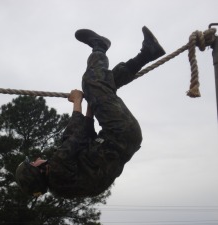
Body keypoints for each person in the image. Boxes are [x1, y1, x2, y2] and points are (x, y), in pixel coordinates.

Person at [16, 26, 165, 198]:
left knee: (103, 84)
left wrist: (90, 106)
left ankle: (148, 53)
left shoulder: (63, 187)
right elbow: (76, 135)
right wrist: (77, 101)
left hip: (125, 139)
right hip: (119, 132)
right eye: (34, 164)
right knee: (91, 82)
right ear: (40, 171)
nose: (36, 160)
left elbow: (83, 140)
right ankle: (100, 46)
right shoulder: (57, 169)